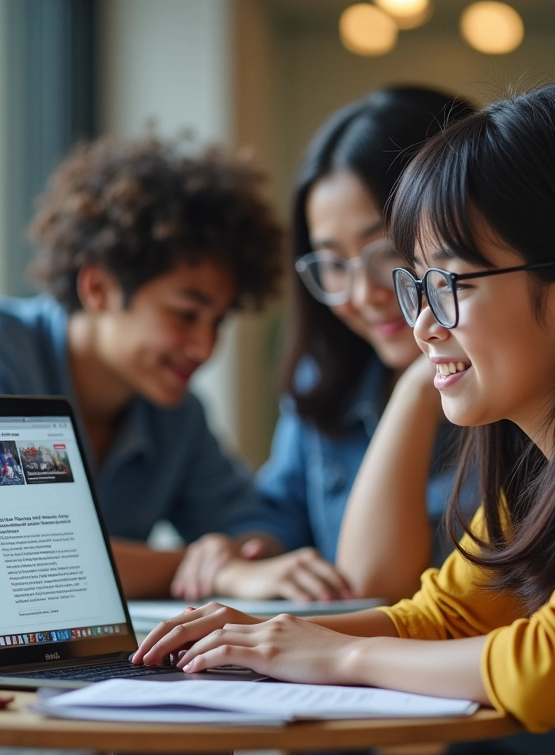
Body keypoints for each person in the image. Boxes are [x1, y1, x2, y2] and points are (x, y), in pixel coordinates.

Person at [132, 82, 555, 755]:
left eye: (450, 285)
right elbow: (445, 616)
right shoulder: (542, 468)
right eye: (417, 286)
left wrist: (342, 652)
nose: (423, 326)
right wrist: (267, 636)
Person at [0, 136, 288, 600]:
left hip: (118, 657)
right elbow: (9, 550)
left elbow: (258, 531)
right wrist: (205, 568)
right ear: (98, 287)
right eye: (186, 314)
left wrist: (237, 550)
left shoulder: (177, 415)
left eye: (219, 321)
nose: (205, 347)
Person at [173, 87, 476, 605]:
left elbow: (375, 589)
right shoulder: (328, 377)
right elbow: (280, 515)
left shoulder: (517, 385)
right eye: (333, 263)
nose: (365, 295)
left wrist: (418, 385)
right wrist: (238, 557)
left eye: (388, 251)